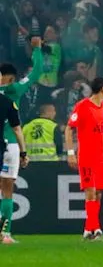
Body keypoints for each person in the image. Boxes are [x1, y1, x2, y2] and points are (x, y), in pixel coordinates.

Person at [64, 76, 103, 241]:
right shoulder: (82, 106)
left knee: (98, 193)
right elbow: (69, 129)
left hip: (102, 157)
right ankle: (96, 229)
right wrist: (70, 153)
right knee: (90, 191)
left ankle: (88, 230)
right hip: (87, 156)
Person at [0, 37, 43, 244]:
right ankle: (5, 233)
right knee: (7, 189)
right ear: (10, 78)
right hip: (10, 145)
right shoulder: (15, 90)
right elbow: (36, 72)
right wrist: (37, 50)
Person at [0, 91, 26, 244]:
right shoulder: (7, 101)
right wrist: (24, 152)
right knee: (7, 190)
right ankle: (6, 233)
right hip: (7, 147)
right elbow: (16, 128)